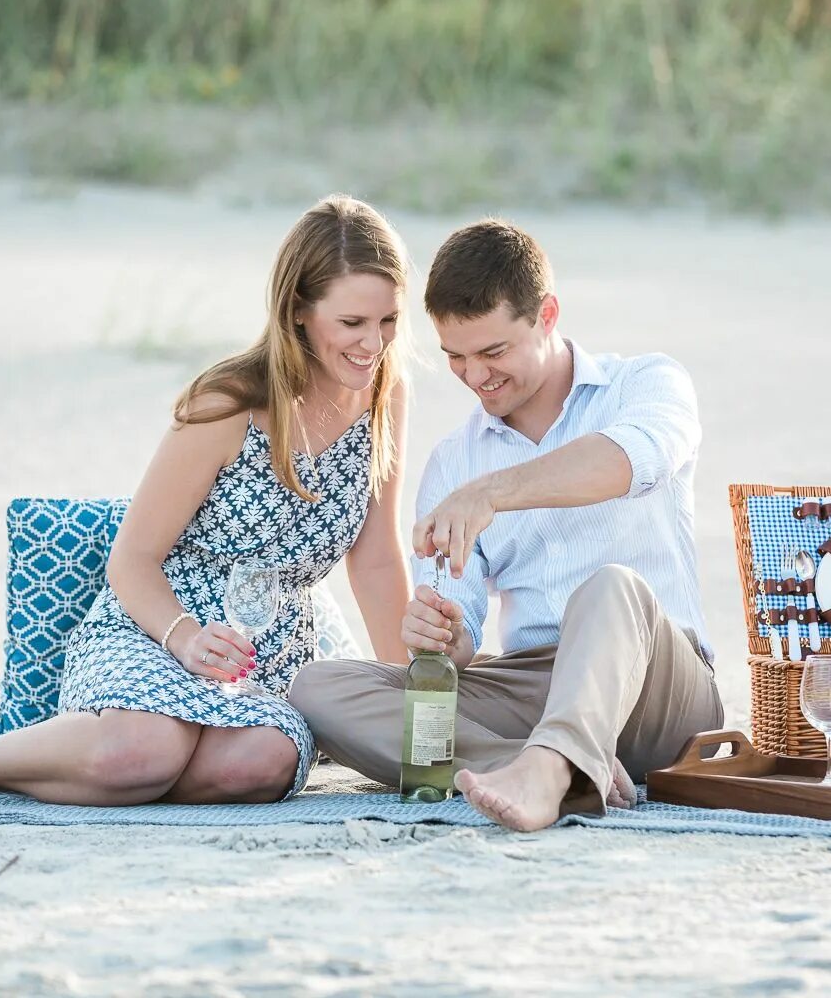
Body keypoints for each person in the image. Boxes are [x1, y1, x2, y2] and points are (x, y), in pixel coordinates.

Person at [0, 196, 413, 804]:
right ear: (298, 310)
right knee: (140, 752)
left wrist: (416, 703)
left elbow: (374, 560)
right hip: (157, 627)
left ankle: (124, 772)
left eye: (389, 321)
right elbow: (132, 558)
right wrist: (185, 637)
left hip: (263, 654)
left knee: (258, 766)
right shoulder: (229, 404)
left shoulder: (385, 395)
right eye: (352, 323)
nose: (373, 344)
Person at [289, 218, 723, 831]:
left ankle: (555, 762)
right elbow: (460, 637)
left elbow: (628, 462)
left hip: (659, 688)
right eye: (456, 358)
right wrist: (442, 634)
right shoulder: (454, 463)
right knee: (318, 689)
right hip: (532, 687)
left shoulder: (646, 383)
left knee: (610, 587)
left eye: (493, 352)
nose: (476, 376)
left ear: (546, 315)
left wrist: (494, 493)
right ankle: (549, 766)